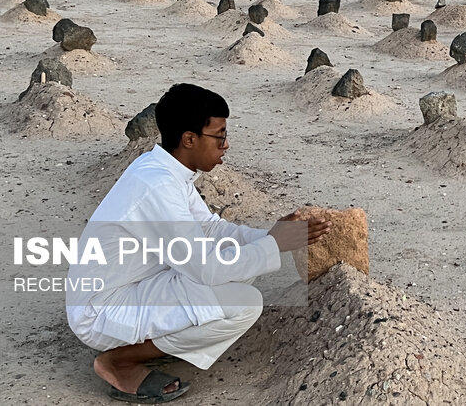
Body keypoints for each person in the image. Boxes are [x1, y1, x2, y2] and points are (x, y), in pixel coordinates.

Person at [66, 84, 331, 403]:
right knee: (244, 302)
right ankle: (120, 361)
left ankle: (156, 340)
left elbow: (210, 229)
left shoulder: (167, 171)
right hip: (103, 308)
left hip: (134, 285)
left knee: (240, 268)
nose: (226, 144)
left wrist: (272, 236)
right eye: (219, 136)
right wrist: (275, 244)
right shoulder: (157, 186)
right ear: (189, 139)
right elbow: (208, 268)